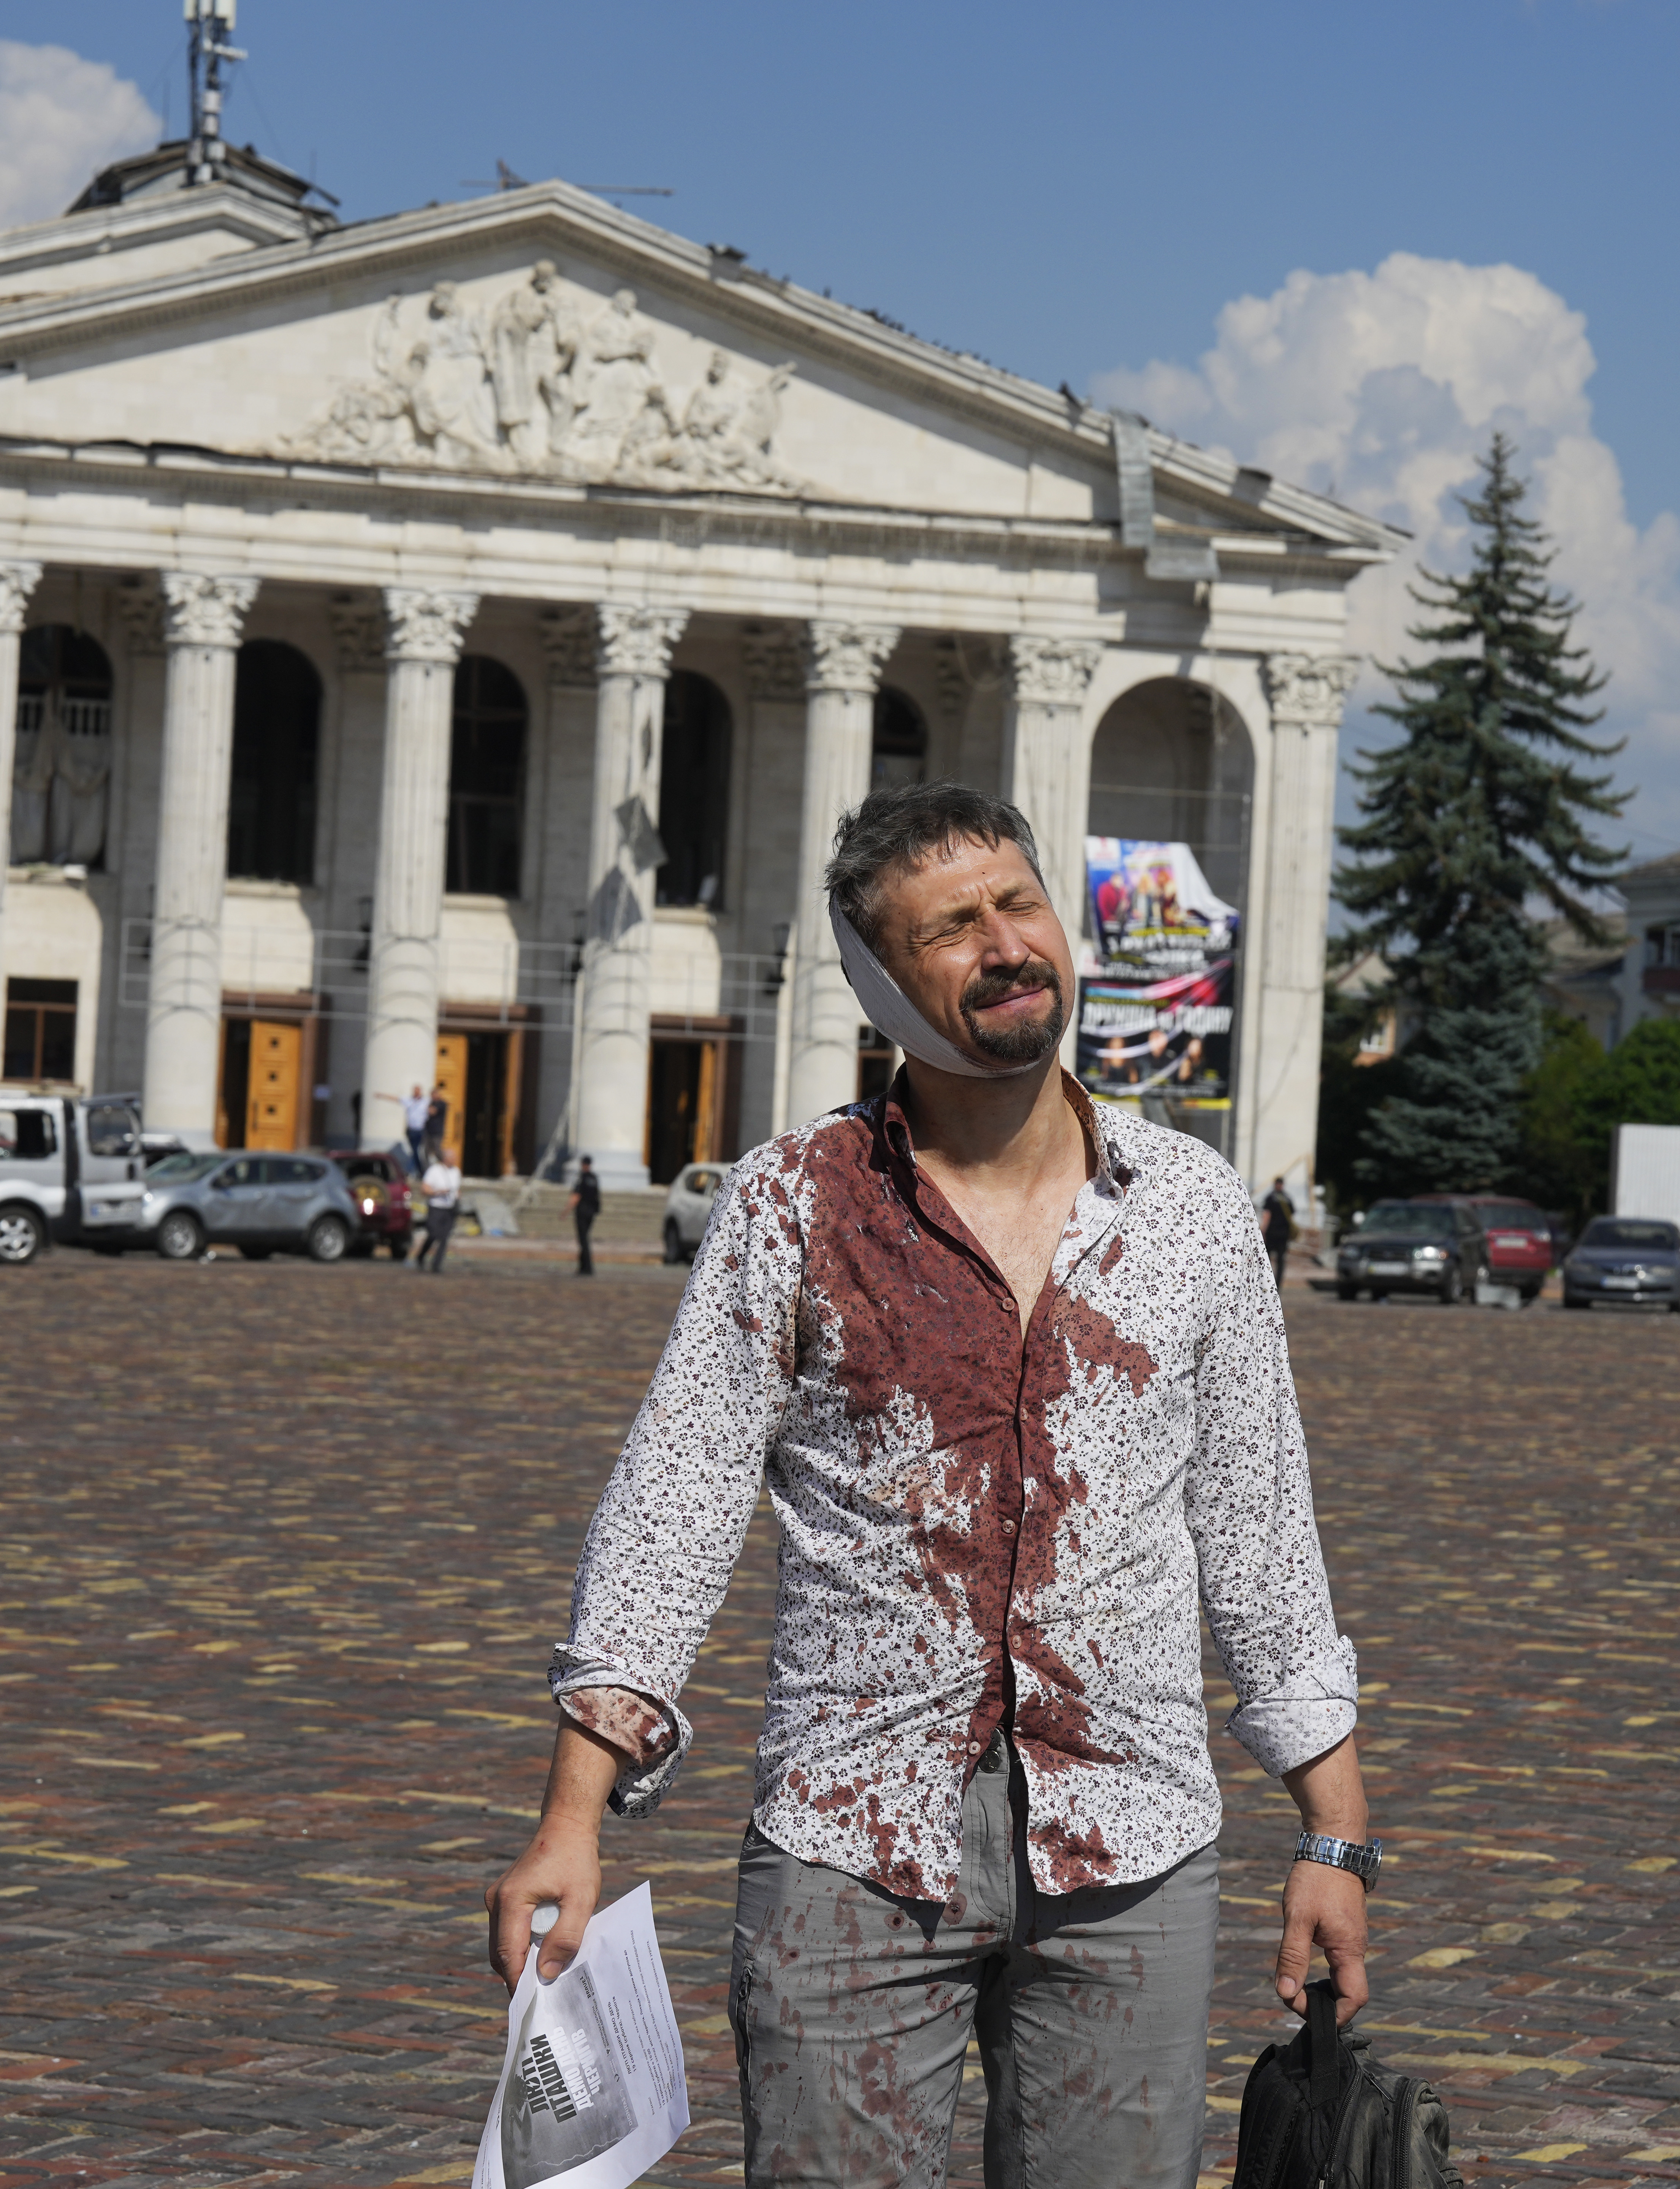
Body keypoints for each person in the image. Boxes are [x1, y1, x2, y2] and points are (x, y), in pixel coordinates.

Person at [487, 782, 1373, 2189]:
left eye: (1016, 904)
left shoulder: (1193, 1209)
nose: (1004, 944)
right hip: (847, 1846)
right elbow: (673, 1504)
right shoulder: (792, 1204)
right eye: (949, 931)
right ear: (879, 989)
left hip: (1132, 1854)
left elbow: (1261, 1529)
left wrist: (1335, 1831)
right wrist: (571, 1815)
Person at [417, 1151, 463, 1273]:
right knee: (433, 1234)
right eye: (452, 1157)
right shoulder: (434, 1171)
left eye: (455, 1158)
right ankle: (421, 1256)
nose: (454, 1160)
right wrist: (438, 1192)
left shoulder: (456, 1172)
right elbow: (424, 1189)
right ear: (445, 1158)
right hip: (436, 1207)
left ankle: (436, 1265)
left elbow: (457, 1189)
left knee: (444, 1237)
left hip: (450, 1209)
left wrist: (458, 1198)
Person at [1261, 1175, 1299, 1292]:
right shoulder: (1287, 1198)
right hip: (1284, 1234)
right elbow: (1291, 1215)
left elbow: (1267, 1216)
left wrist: (1263, 1231)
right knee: (1281, 1260)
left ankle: (1266, 1282)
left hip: (1272, 1233)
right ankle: (1278, 1285)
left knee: (1266, 1260)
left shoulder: (1271, 1198)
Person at [571, 1155, 602, 1277]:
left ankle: (587, 1267)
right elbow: (597, 1195)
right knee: (585, 1239)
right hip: (591, 1212)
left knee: (583, 1240)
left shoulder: (582, 1178)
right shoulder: (594, 1178)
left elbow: (576, 1196)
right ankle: (584, 1266)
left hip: (582, 1212)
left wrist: (566, 1211)